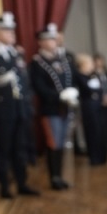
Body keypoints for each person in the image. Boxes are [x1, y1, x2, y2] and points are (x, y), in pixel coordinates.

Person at [0, 12, 37, 198]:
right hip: (3, 111)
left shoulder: (16, 53)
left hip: (20, 109)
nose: (11, 33)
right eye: (5, 30)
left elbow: (24, 81)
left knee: (20, 147)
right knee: (4, 148)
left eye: (12, 30)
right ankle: (4, 186)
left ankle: (22, 182)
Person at [28, 23, 79, 190]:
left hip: (66, 108)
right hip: (51, 110)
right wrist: (59, 96)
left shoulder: (65, 59)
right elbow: (38, 86)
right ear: (41, 42)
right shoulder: (37, 63)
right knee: (54, 143)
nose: (53, 42)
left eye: (54, 39)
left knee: (62, 143)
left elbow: (74, 78)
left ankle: (60, 175)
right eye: (49, 39)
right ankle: (54, 177)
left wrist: (73, 92)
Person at [76, 54, 107, 166]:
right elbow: (88, 90)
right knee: (92, 132)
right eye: (89, 63)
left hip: (98, 107)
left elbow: (100, 90)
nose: (92, 65)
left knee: (100, 131)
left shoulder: (93, 76)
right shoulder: (79, 77)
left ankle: (102, 156)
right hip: (88, 108)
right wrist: (95, 91)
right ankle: (94, 157)